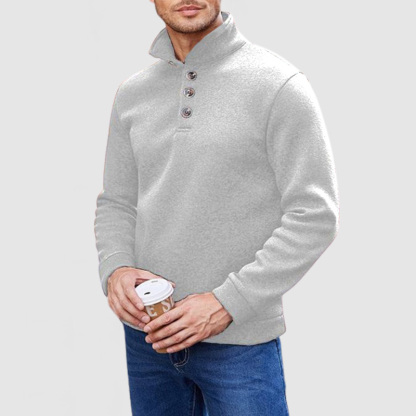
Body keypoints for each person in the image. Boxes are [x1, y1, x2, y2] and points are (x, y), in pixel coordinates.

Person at [94, 1, 340, 414]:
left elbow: (315, 215)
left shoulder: (278, 84)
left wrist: (228, 303)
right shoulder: (132, 93)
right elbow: (118, 201)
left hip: (239, 345)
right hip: (147, 338)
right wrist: (115, 267)